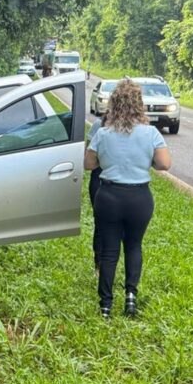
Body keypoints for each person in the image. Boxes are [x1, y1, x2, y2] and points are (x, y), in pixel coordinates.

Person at [84, 79, 172, 318]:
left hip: (109, 195)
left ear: (113, 104)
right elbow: (164, 164)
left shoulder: (103, 133)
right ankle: (130, 297)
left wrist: (108, 158)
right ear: (139, 105)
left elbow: (88, 164)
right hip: (139, 197)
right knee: (133, 246)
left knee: (109, 250)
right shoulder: (151, 133)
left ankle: (105, 305)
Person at [86, 116, 104, 274]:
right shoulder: (99, 125)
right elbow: (88, 160)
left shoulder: (138, 128)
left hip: (114, 180)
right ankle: (99, 264)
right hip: (99, 178)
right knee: (100, 223)